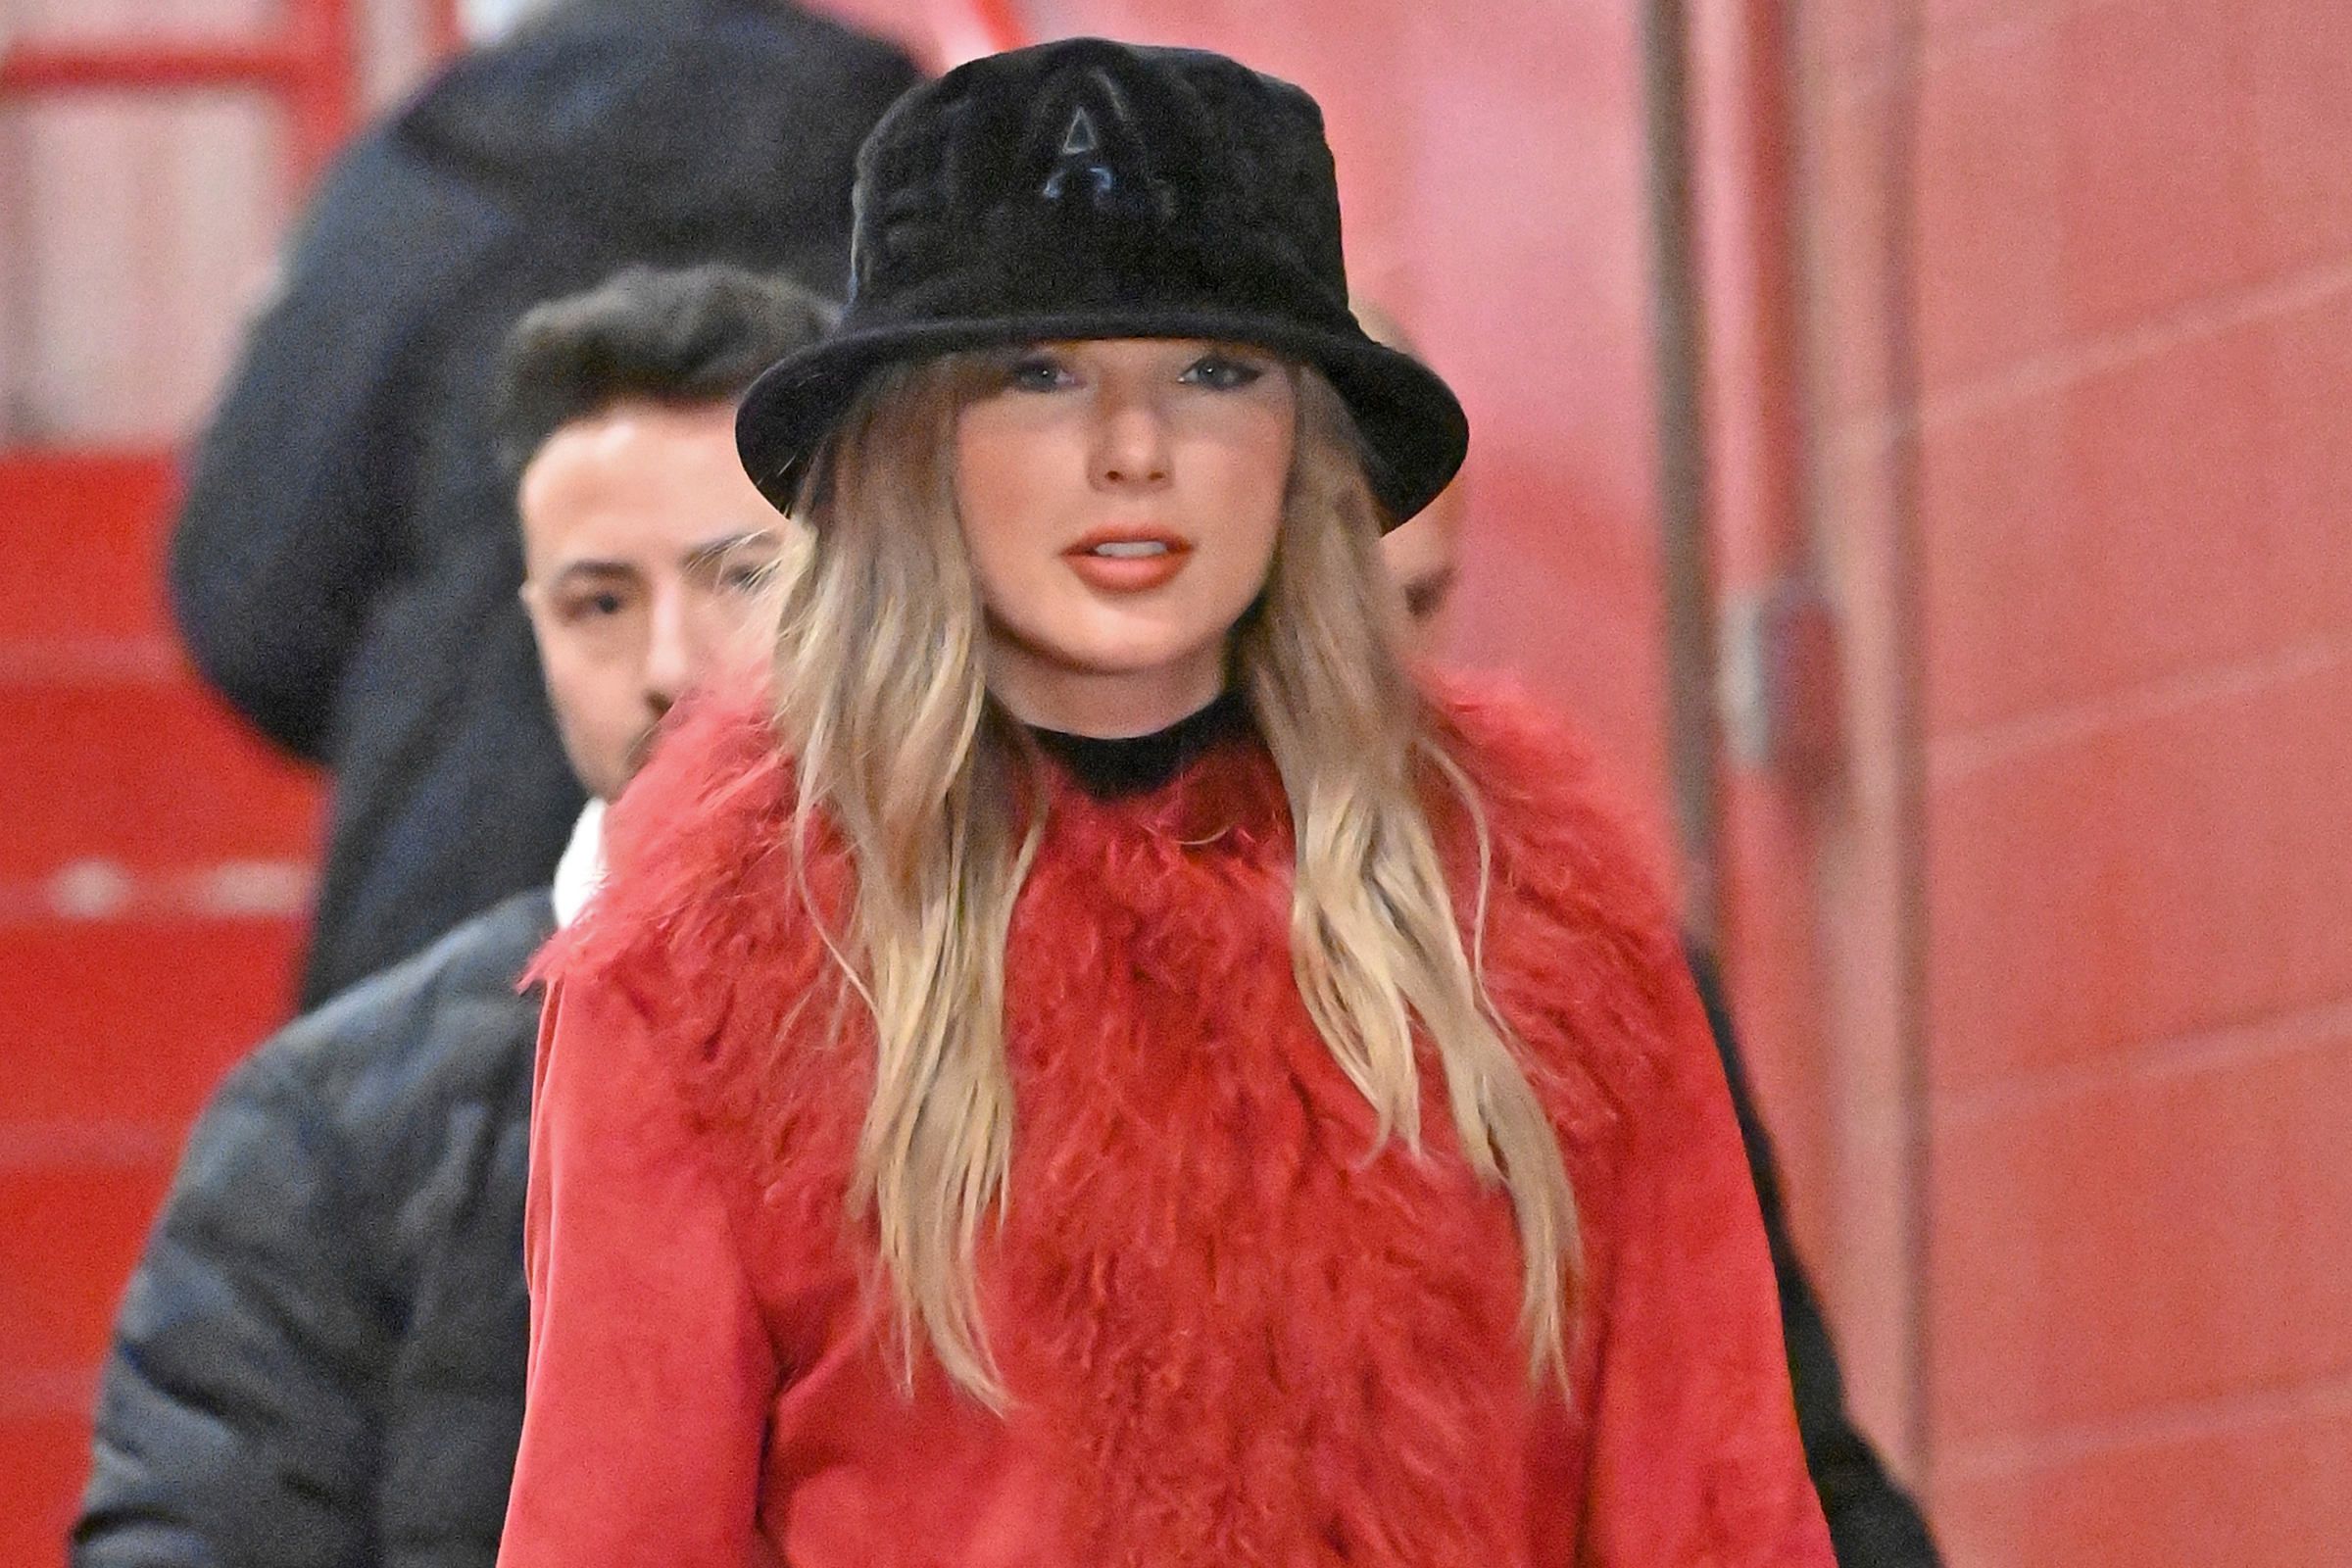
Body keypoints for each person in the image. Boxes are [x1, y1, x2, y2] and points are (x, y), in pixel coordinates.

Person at [495, 38, 1835, 1567]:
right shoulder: (713, 962)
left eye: (1213, 373)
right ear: (905, 442)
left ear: (1303, 441)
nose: (1133, 453)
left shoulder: (1534, 922)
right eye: (1039, 373)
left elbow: (1715, 1505)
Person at [73, 264, 827, 1568]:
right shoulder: (329, 1128)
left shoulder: (1045, 1019)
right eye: (601, 602)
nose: (668, 668)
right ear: (531, 630)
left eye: (742, 578)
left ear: (885, 594)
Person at [169, 0, 920, 1009]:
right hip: (880, 949)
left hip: (455, 933)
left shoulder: (415, 188)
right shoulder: (929, 188)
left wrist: (449, 712)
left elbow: (252, 599)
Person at [1358, 304, 1942, 1567]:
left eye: (1418, 605)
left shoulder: (1592, 963)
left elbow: (1790, 1454)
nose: (1373, 672)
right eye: (1327, 606)